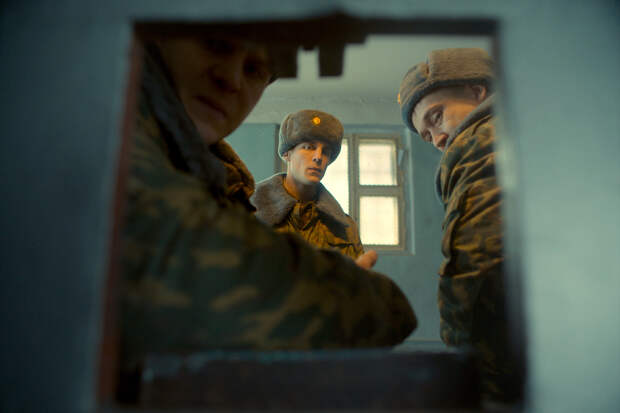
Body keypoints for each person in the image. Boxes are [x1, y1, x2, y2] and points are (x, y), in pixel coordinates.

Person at [119, 32, 417, 383]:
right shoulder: (122, 130)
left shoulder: (221, 182)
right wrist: (360, 297)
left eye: (254, 69)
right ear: (287, 153)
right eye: (216, 44)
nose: (231, 79)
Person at [398, 48, 517, 402]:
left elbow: (477, 266)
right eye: (426, 135)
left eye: (436, 117)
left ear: (477, 91)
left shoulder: (480, 142)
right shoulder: (520, 132)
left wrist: (463, 362)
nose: (437, 139)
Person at [251, 109, 366, 261]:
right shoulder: (249, 211)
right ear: (287, 154)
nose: (318, 157)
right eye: (308, 147)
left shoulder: (344, 228)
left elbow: (355, 275)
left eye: (325, 152)